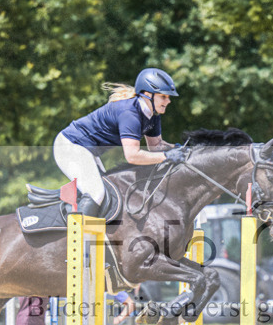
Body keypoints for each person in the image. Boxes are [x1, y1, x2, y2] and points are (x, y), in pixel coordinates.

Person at [53, 68, 184, 217]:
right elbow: (132, 156)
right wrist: (167, 156)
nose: (169, 101)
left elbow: (156, 146)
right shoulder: (130, 114)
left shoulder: (152, 114)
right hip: (70, 146)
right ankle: (77, 238)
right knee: (96, 194)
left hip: (86, 150)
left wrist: (180, 149)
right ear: (148, 94)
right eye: (164, 96)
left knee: (107, 192)